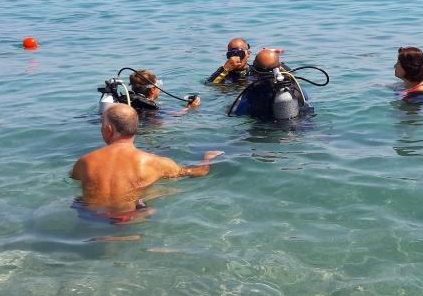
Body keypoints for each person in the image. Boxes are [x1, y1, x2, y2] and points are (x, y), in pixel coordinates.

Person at [71, 104, 223, 208]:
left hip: (88, 214)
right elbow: (199, 172)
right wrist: (207, 158)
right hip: (130, 217)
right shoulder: (156, 162)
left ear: (108, 129)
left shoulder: (85, 161)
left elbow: (73, 177)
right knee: (159, 192)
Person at [230, 48, 307, 120]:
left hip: (268, 126)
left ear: (254, 69)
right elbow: (305, 97)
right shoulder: (289, 85)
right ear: (279, 67)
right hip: (301, 122)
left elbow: (238, 112)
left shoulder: (254, 91)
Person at [129, 69, 201, 115]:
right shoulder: (152, 108)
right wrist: (189, 108)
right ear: (152, 90)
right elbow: (175, 115)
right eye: (158, 85)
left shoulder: (130, 102)